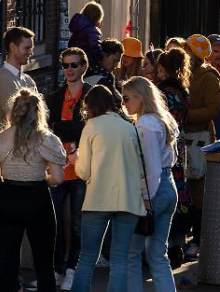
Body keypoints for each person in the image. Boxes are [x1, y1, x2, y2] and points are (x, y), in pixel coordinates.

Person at [0, 88, 66, 292]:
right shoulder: (47, 140)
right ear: (38, 112)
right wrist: (41, 179)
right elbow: (57, 178)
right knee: (45, 265)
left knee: (7, 266)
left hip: (7, 199)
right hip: (38, 199)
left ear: (14, 111)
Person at [71, 85, 146, 292]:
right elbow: (141, 168)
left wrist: (74, 160)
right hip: (128, 200)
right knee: (120, 259)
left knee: (87, 258)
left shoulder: (92, 126)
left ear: (90, 106)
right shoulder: (130, 127)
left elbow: (84, 171)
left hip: (98, 199)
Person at [123, 77, 179, 292]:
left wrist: (146, 197)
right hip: (168, 185)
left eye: (126, 98)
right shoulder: (164, 119)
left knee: (132, 254)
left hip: (153, 190)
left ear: (140, 97)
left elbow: (151, 166)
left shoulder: (145, 124)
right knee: (158, 253)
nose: (124, 103)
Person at [46, 47, 92, 290]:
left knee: (76, 222)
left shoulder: (93, 95)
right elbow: (49, 130)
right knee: (54, 222)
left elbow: (89, 130)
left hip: (82, 169)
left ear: (84, 66)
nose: (69, 70)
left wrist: (65, 127)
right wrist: (71, 128)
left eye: (74, 65)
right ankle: (56, 270)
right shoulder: (53, 98)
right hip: (56, 167)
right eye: (66, 65)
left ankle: (73, 268)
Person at [182, 34, 220, 259]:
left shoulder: (208, 77)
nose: (185, 54)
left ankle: (197, 240)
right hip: (183, 136)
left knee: (198, 191)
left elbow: (212, 109)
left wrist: (185, 115)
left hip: (199, 138)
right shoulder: (183, 74)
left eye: (189, 51)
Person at [155, 48, 192, 268]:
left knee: (162, 190)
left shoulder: (162, 94)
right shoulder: (183, 92)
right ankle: (178, 244)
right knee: (179, 192)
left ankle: (165, 245)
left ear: (163, 68)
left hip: (164, 145)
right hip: (180, 146)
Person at [0, 27, 38, 130]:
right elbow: (16, 116)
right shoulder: (2, 79)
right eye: (26, 48)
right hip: (9, 143)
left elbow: (41, 113)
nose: (30, 53)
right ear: (13, 47)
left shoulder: (28, 79)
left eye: (31, 48)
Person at [84, 37, 124, 104]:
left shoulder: (85, 71)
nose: (116, 66)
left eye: (118, 62)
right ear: (104, 55)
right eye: (114, 61)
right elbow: (114, 103)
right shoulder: (107, 77)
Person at [68, 1, 104, 68]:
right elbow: (95, 47)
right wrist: (102, 57)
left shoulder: (77, 30)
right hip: (88, 64)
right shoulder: (92, 30)